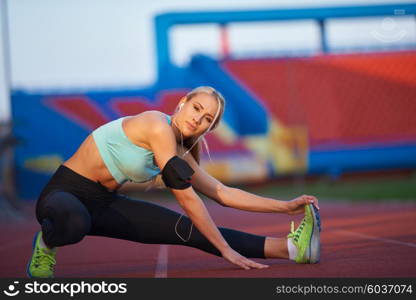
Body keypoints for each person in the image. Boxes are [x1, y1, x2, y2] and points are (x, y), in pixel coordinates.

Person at [27, 86, 321, 278]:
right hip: (65, 193)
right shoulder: (156, 125)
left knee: (191, 231)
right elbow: (186, 197)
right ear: (183, 103)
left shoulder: (181, 150)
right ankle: (46, 243)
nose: (198, 120)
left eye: (207, 119)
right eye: (196, 109)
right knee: (74, 222)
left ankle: (292, 249)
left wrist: (286, 207)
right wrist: (225, 250)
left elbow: (222, 193)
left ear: (210, 127)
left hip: (104, 203)